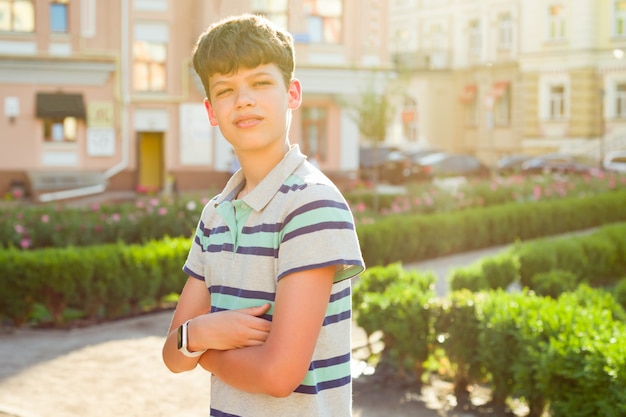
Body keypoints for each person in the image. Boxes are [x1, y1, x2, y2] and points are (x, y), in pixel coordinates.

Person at [162, 14, 365, 417]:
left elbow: (277, 375)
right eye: (226, 90)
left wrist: (200, 348)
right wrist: (201, 333)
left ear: (292, 93)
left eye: (260, 83)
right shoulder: (216, 213)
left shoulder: (311, 204)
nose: (244, 100)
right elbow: (172, 356)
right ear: (211, 110)